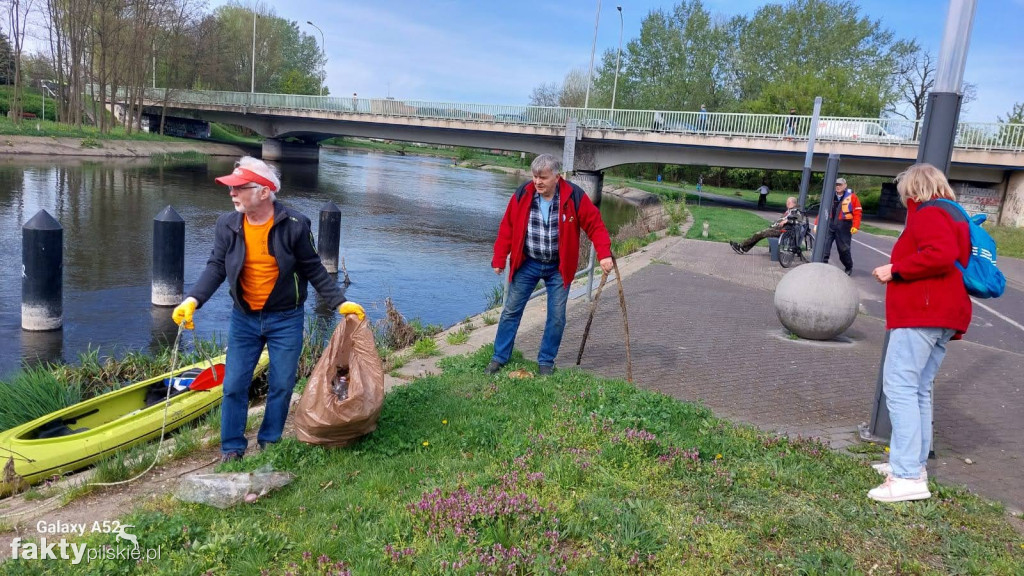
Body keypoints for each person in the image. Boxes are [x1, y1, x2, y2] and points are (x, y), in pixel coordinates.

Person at [171, 156, 366, 463]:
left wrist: (340, 303)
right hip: (244, 318)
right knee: (234, 385)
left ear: (263, 191)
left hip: (286, 318)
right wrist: (192, 300)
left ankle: (269, 443)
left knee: (281, 384)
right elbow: (216, 266)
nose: (232, 193)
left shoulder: (296, 225)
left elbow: (314, 269)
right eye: (231, 188)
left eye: (239, 187)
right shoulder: (227, 224)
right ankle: (232, 448)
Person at [867, 163, 971, 503]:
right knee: (919, 389)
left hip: (921, 313)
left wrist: (895, 269)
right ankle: (913, 464)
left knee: (899, 387)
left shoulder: (926, 214)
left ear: (913, 189)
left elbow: (940, 255)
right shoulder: (952, 214)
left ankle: (908, 475)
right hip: (944, 314)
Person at [487, 154, 613, 376]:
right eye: (535, 177)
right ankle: (499, 357)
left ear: (557, 176)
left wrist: (604, 254)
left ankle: (546, 361)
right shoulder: (523, 194)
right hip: (528, 263)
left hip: (558, 267)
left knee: (556, 317)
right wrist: (499, 258)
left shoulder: (573, 196)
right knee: (510, 311)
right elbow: (507, 227)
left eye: (543, 177)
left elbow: (595, 225)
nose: (537, 182)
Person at [816, 177, 862, 275]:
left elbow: (858, 212)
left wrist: (856, 226)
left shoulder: (852, 197)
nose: (838, 186)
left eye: (840, 185)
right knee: (825, 246)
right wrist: (817, 224)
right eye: (836, 184)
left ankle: (848, 266)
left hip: (844, 226)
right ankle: (822, 267)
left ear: (845, 186)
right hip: (830, 224)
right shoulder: (830, 196)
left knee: (843, 249)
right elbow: (822, 211)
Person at [730, 196, 799, 254]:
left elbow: (798, 219)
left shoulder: (795, 211)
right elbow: (782, 220)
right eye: (787, 202)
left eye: (788, 202)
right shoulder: (789, 210)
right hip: (777, 228)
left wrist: (787, 221)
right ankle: (743, 248)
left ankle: (741, 246)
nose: (786, 203)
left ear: (793, 203)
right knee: (759, 235)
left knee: (759, 234)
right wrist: (774, 225)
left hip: (782, 231)